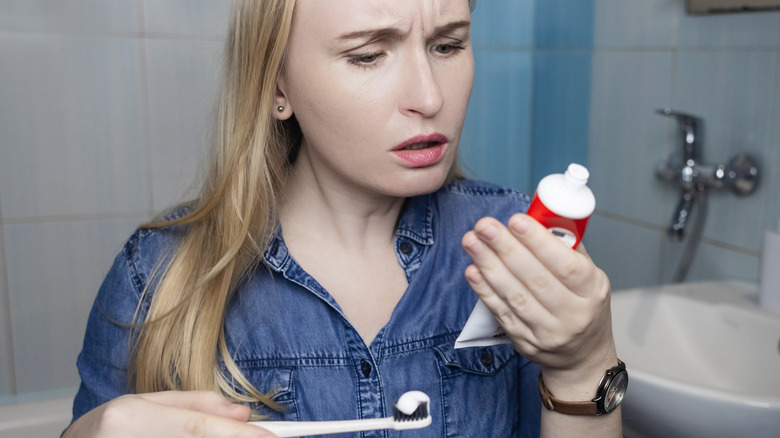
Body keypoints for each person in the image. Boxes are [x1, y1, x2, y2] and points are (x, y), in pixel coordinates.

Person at [64, 0, 622, 437]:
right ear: (277, 84)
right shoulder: (159, 276)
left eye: (448, 45)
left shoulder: (514, 243)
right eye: (367, 55)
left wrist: (584, 367)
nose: (428, 97)